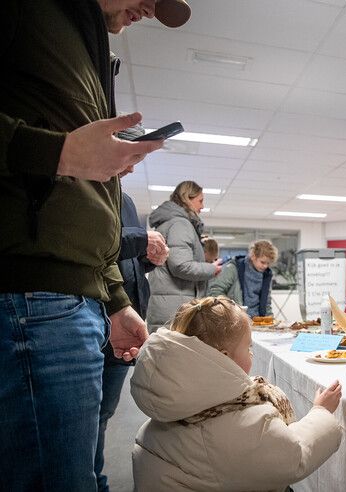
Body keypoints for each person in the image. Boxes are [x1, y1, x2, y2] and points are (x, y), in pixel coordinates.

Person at [0, 0, 190, 489]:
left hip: (72, 298)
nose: (149, 9)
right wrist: (57, 152)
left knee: (79, 470)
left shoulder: (84, 37)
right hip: (33, 295)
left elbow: (85, 202)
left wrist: (115, 298)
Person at [130, 296, 343, 490]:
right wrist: (321, 412)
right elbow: (294, 456)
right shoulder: (243, 423)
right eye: (248, 347)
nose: (251, 353)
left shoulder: (174, 398)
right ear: (223, 357)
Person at [95, 173, 169, 490]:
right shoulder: (86, 185)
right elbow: (94, 242)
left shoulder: (124, 198)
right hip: (95, 313)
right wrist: (140, 241)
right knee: (85, 416)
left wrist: (147, 259)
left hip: (124, 315)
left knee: (103, 412)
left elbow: (123, 260)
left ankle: (95, 477)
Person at [147, 180, 222, 332]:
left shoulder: (171, 223)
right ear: (188, 198)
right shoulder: (180, 224)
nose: (202, 206)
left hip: (170, 304)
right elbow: (181, 266)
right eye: (200, 201)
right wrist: (211, 269)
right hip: (174, 308)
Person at [208, 239, 277, 318]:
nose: (265, 266)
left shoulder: (266, 275)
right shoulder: (233, 268)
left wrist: (271, 319)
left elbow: (267, 303)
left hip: (257, 322)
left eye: (268, 263)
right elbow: (215, 291)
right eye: (263, 262)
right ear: (253, 256)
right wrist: (230, 310)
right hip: (235, 319)